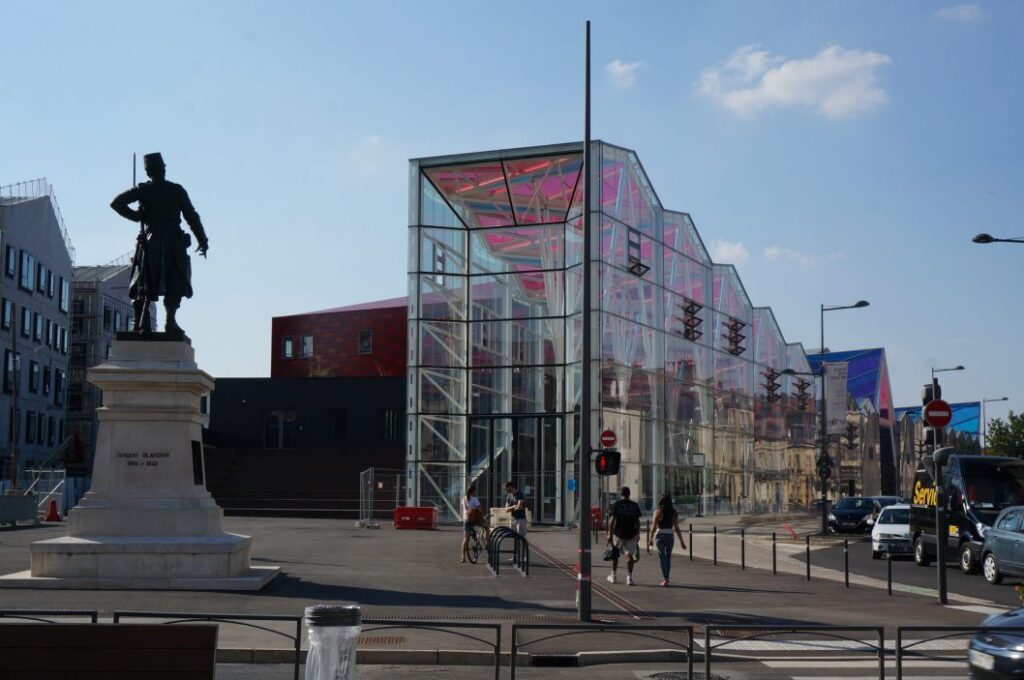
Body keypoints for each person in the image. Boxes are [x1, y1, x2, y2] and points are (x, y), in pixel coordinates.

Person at [110, 152, 210, 336]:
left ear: (148, 172)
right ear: (163, 169)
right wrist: (202, 239)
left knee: (144, 281)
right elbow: (192, 216)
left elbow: (116, 203)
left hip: (152, 239)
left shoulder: (144, 189)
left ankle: (139, 322)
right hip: (173, 240)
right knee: (173, 279)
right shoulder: (176, 190)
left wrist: (137, 216)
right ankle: (169, 321)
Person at [647, 494, 686, 587]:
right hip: (670, 536)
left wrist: (650, 539)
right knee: (668, 557)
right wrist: (682, 542)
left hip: (660, 536)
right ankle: (666, 578)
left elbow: (653, 527)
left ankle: (666, 578)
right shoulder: (673, 513)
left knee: (662, 557)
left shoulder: (658, 512)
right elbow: (676, 528)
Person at [607, 486, 643, 585]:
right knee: (630, 555)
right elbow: (637, 521)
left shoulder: (617, 505)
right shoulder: (634, 505)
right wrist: (638, 534)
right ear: (629, 494)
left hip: (619, 533)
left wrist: (609, 534)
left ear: (621, 494)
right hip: (631, 533)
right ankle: (629, 577)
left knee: (615, 555)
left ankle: (613, 576)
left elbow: (612, 520)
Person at [461, 483, 485, 563]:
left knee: (465, 538)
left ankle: (463, 557)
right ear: (473, 491)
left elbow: (464, 509)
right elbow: (480, 509)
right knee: (486, 526)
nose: (476, 492)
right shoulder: (475, 499)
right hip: (474, 520)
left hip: (466, 520)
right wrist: (482, 515)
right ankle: (485, 543)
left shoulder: (464, 498)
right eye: (475, 491)